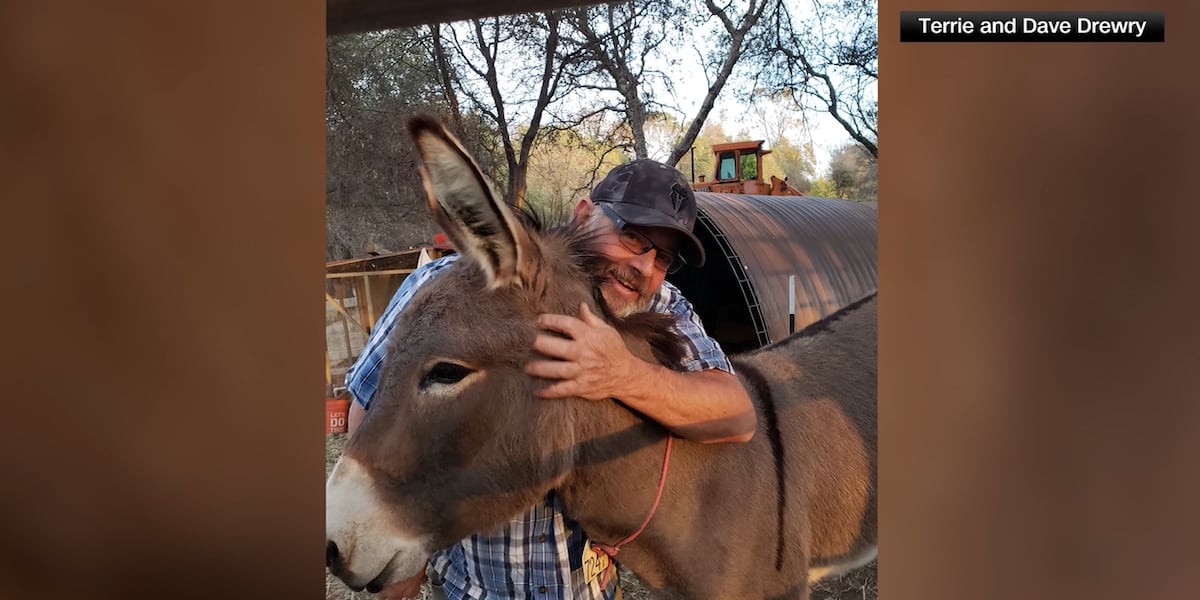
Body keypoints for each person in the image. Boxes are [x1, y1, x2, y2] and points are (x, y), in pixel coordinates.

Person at [344, 159, 756, 600]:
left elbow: (735, 414)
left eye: (664, 258)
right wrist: (402, 542)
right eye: (632, 234)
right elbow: (370, 403)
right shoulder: (449, 287)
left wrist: (623, 374)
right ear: (583, 214)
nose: (644, 267)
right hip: (476, 588)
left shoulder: (662, 306)